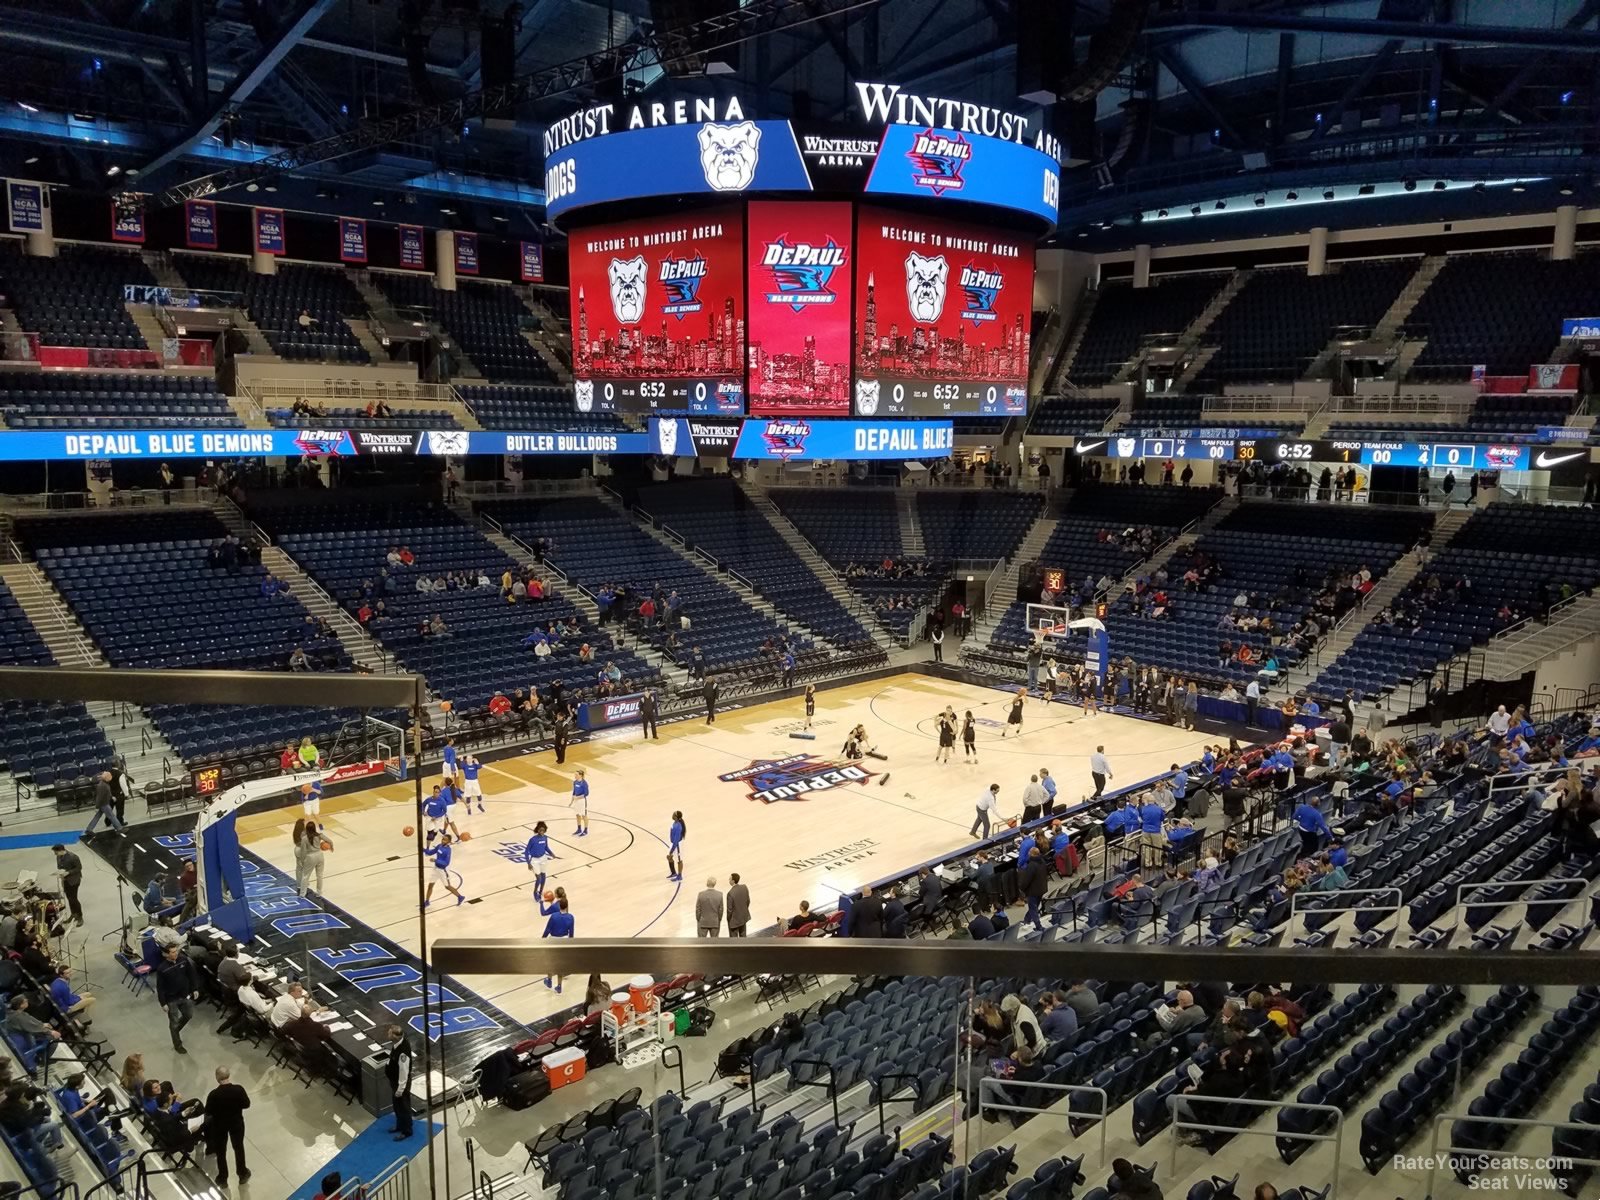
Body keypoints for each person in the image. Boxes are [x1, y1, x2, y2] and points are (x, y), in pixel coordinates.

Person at [204, 1066, 251, 1185]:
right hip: (236, 1123)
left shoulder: (213, 1095)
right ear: (229, 1075)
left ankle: (223, 1177)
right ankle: (242, 1173)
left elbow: (208, 1111)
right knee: (238, 1148)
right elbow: (246, 1104)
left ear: (216, 1077)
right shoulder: (239, 1089)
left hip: (220, 1126)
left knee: (221, 1151)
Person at [155, 942, 200, 1053]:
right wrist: (163, 1003)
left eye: (176, 951)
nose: (176, 953)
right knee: (173, 1023)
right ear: (166, 954)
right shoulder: (162, 969)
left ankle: (175, 1030)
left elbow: (192, 974)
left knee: (188, 1015)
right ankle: (177, 1044)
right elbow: (160, 987)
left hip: (185, 995)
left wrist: (195, 988)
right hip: (171, 1000)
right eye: (173, 952)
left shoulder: (183, 960)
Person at [538, 890, 574, 993]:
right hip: (564, 940)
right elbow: (571, 933)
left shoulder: (554, 916)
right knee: (560, 964)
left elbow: (547, 930)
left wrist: (542, 939)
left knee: (550, 961)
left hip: (553, 940)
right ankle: (559, 986)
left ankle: (549, 980)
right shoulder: (571, 917)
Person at [385, 1024, 414, 1140]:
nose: (387, 1033)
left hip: (400, 1083)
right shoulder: (397, 1044)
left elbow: (403, 1071)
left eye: (389, 1032)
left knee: (404, 1107)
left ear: (395, 1036)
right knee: (397, 1106)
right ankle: (400, 1125)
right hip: (394, 1081)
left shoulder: (403, 1052)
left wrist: (400, 1089)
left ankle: (407, 1131)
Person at [424, 834, 467, 908]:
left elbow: (446, 863)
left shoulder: (448, 850)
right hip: (436, 869)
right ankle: (427, 901)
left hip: (443, 871)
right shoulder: (439, 846)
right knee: (430, 885)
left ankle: (460, 897)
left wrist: (435, 860)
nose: (442, 840)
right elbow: (430, 852)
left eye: (445, 839)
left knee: (447, 886)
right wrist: (423, 849)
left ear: (448, 841)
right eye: (442, 839)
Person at [51, 844, 83, 926]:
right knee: (69, 898)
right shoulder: (59, 857)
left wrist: (68, 872)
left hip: (74, 881)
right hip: (65, 880)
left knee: (74, 899)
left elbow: (79, 868)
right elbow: (59, 866)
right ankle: (73, 914)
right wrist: (60, 872)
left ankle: (80, 916)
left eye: (56, 852)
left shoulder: (73, 857)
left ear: (61, 850)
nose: (55, 854)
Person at [84, 770, 124, 835]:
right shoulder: (102, 786)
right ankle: (119, 828)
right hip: (104, 804)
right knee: (112, 816)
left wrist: (111, 797)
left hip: (103, 803)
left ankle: (89, 829)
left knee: (97, 816)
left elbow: (107, 793)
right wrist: (97, 807)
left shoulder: (104, 783)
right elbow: (99, 797)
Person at [726, 873, 751, 937]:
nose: (729, 880)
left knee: (734, 941)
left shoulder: (730, 893)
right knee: (743, 938)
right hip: (743, 917)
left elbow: (729, 910)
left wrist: (728, 919)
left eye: (729, 879)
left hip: (734, 921)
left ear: (733, 881)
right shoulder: (744, 887)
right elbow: (748, 901)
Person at [667, 811, 686, 881]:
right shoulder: (675, 823)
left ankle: (679, 875)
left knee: (679, 860)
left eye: (673, 814)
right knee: (669, 857)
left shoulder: (678, 827)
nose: (672, 814)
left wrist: (671, 850)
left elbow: (676, 840)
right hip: (673, 843)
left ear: (676, 817)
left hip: (677, 845)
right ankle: (673, 873)